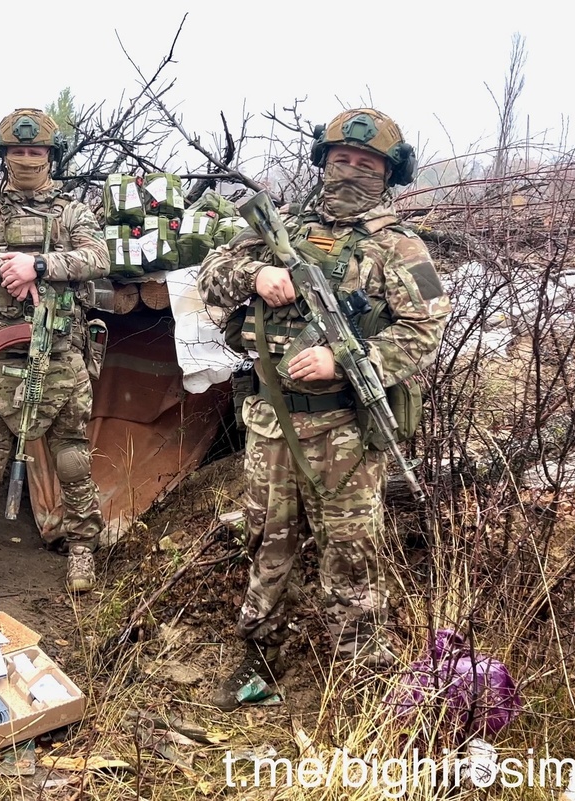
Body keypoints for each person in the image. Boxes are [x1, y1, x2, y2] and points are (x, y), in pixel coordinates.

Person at [197, 108, 452, 710]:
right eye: (342, 160)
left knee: (351, 548)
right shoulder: (281, 227)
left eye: (367, 164)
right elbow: (211, 274)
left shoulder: (399, 246)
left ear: (389, 174)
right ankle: (261, 655)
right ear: (323, 162)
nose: (351, 172)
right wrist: (257, 273)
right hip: (271, 422)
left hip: (345, 430)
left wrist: (345, 359)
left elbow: (426, 329)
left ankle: (360, 673)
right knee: (267, 539)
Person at [0, 108, 110, 593]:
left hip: (59, 356)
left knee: (72, 460)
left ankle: (81, 553)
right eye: (18, 150)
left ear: (51, 156)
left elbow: (97, 258)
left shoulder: (74, 213)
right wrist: (5, 265)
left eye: (36, 150)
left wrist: (37, 266)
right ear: (4, 155)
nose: (27, 158)